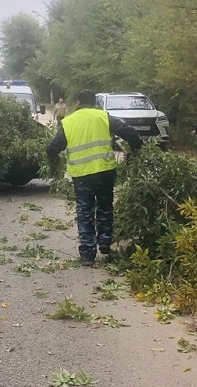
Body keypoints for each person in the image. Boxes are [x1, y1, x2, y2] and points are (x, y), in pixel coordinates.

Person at [46, 89, 142, 266]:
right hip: (105, 172)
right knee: (105, 207)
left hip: (82, 175)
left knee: (85, 213)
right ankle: (105, 243)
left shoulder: (68, 122)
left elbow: (53, 147)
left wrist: (53, 161)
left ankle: (88, 254)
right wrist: (136, 151)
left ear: (78, 102)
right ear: (95, 102)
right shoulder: (104, 117)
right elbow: (130, 132)